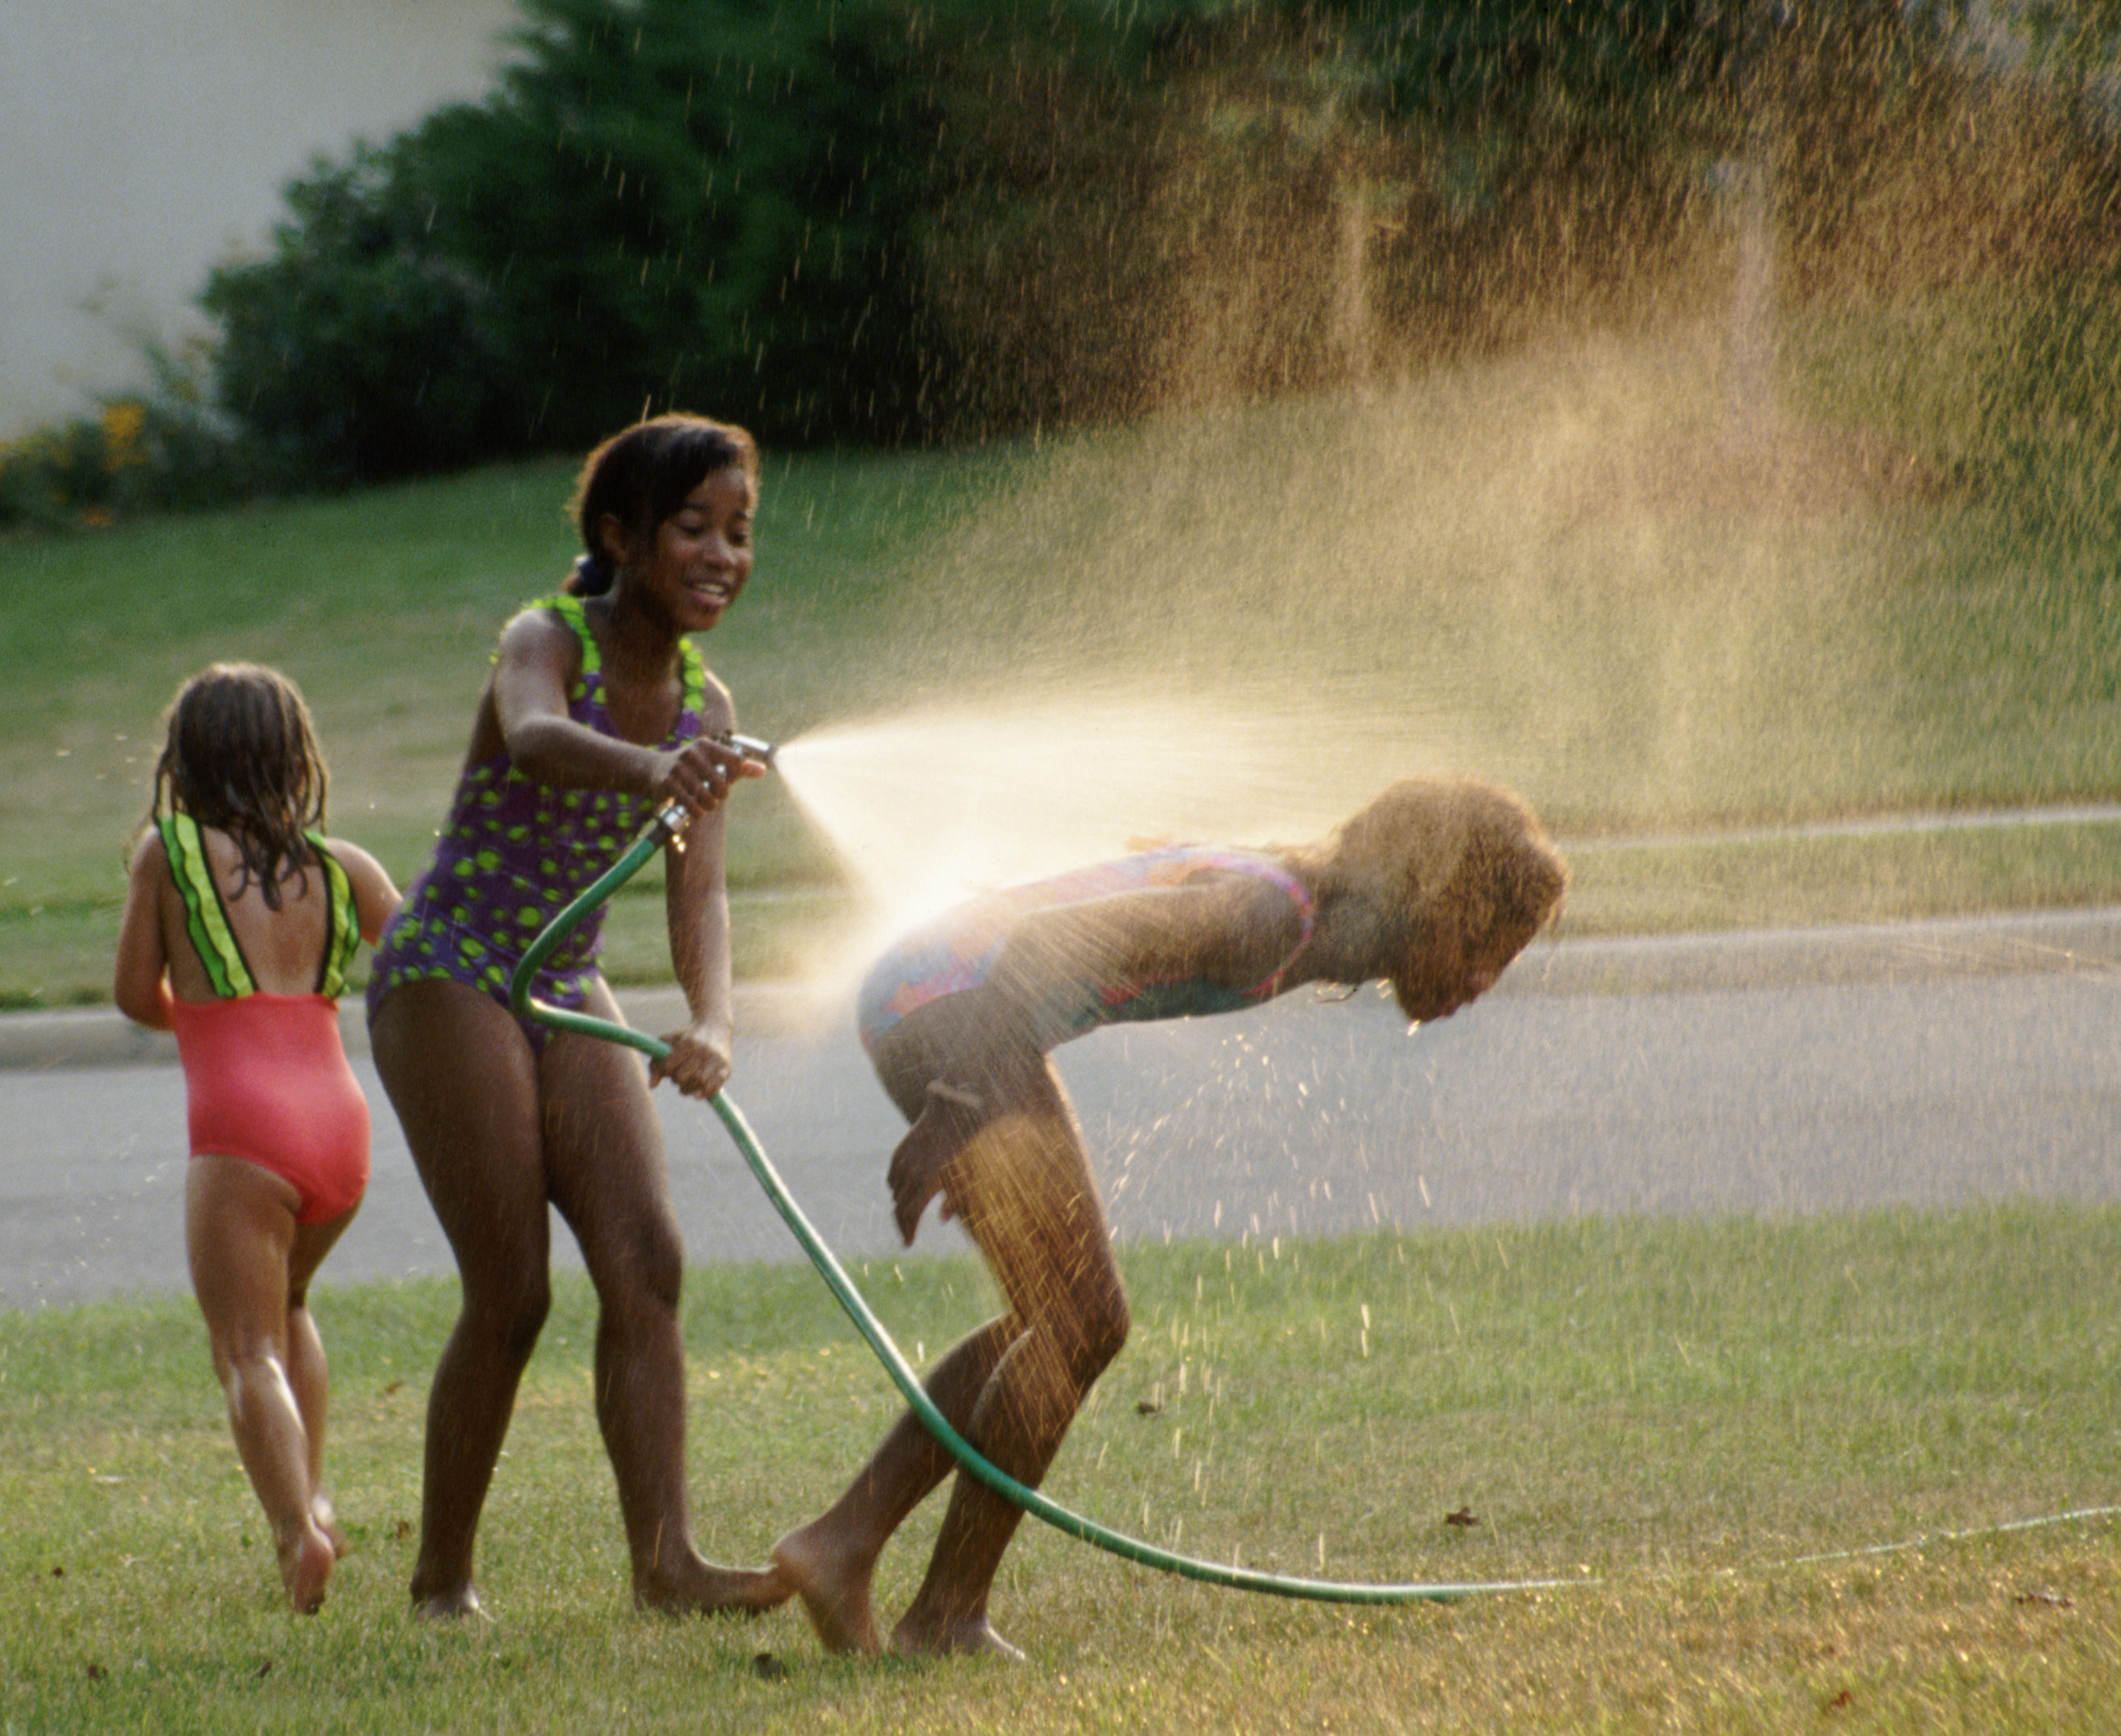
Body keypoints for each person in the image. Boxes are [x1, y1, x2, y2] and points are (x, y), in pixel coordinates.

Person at [773, 776, 1570, 1659]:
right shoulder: (1267, 919)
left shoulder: (1291, 901)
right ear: (1431, 895)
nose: (1482, 976)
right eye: (1485, 939)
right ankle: (940, 1612)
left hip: (950, 1010)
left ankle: (845, 1546)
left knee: (1059, 1321)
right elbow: (1047, 944)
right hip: (956, 1019)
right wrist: (958, 1109)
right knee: (1083, 1323)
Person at [365, 412, 788, 1619]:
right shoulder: (545, 639)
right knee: (512, 1292)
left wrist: (712, 1020)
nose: (722, 554)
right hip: (451, 965)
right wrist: (649, 770)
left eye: (740, 533)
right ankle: (441, 1582)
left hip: (563, 981)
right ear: (621, 535)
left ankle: (667, 1565)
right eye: (694, 528)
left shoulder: (709, 706)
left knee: (647, 1264)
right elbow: (538, 738)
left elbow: (698, 888)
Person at [112, 663, 401, 1615]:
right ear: (292, 756)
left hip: (243, 1124)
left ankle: (295, 1533)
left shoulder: (168, 851)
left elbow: (131, 995)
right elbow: (418, 969)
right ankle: (312, 1490)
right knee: (292, 1306)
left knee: (243, 1349)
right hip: (338, 1123)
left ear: (185, 758)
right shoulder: (343, 864)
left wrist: (203, 1020)